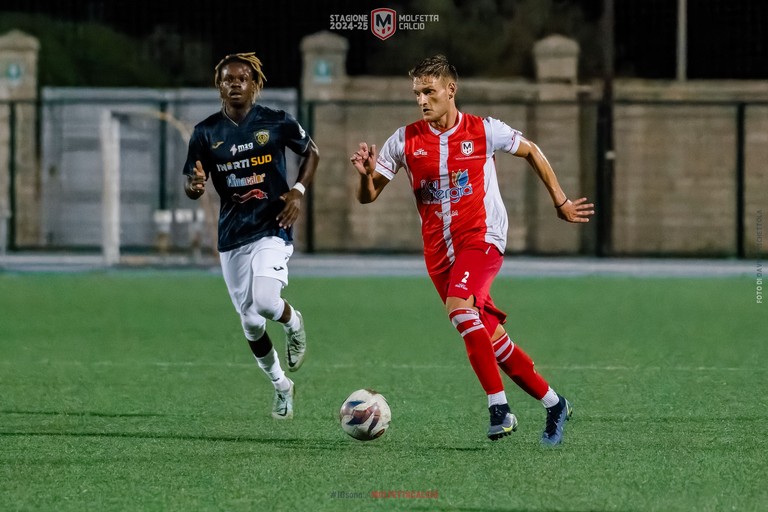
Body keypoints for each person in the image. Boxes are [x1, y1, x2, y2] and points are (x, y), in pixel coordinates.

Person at [350, 55, 594, 444]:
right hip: (439, 254)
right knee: (491, 338)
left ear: (451, 90)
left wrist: (560, 202)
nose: (422, 100)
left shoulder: (484, 130)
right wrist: (364, 178)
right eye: (417, 94)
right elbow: (368, 196)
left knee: (460, 311)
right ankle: (554, 403)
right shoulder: (405, 140)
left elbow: (531, 149)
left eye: (429, 92)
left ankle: (499, 408)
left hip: (482, 238)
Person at [183, 52, 319, 420]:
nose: (235, 84)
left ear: (255, 83)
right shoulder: (206, 132)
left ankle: (293, 321)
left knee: (263, 300)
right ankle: (281, 386)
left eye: (242, 78)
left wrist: (298, 192)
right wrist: (195, 187)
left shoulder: (276, 122)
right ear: (219, 85)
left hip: (272, 226)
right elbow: (194, 184)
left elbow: (312, 153)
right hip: (232, 235)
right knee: (250, 322)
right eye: (228, 79)